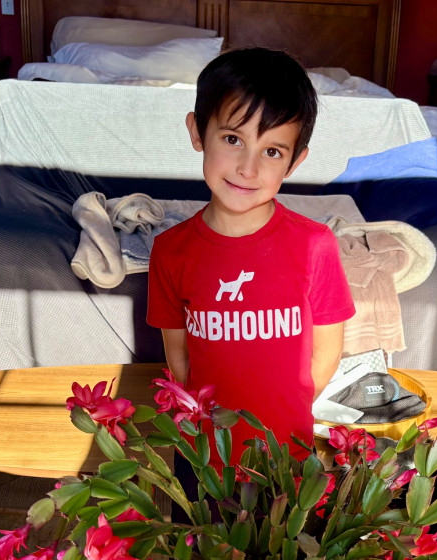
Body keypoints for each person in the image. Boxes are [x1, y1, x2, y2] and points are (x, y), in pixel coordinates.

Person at [146, 47, 355, 485]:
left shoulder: (315, 245)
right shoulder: (170, 250)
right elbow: (179, 356)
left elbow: (326, 353)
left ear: (295, 161)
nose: (248, 168)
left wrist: (285, 413)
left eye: (272, 151)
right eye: (233, 140)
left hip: (285, 454)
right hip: (203, 455)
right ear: (197, 132)